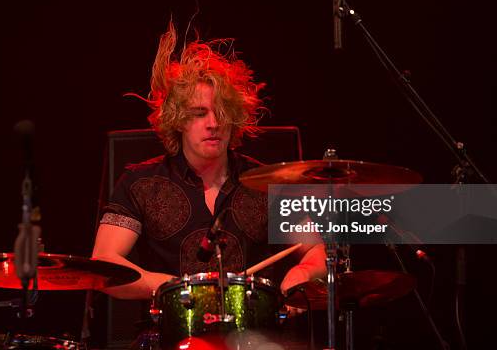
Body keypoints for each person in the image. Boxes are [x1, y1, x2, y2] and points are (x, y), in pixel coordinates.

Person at [92, 22, 326, 300]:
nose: (213, 123)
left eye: (221, 112)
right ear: (177, 120)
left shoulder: (265, 184)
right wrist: (171, 287)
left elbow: (316, 251)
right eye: (199, 113)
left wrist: (302, 274)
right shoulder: (140, 183)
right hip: (171, 334)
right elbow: (105, 262)